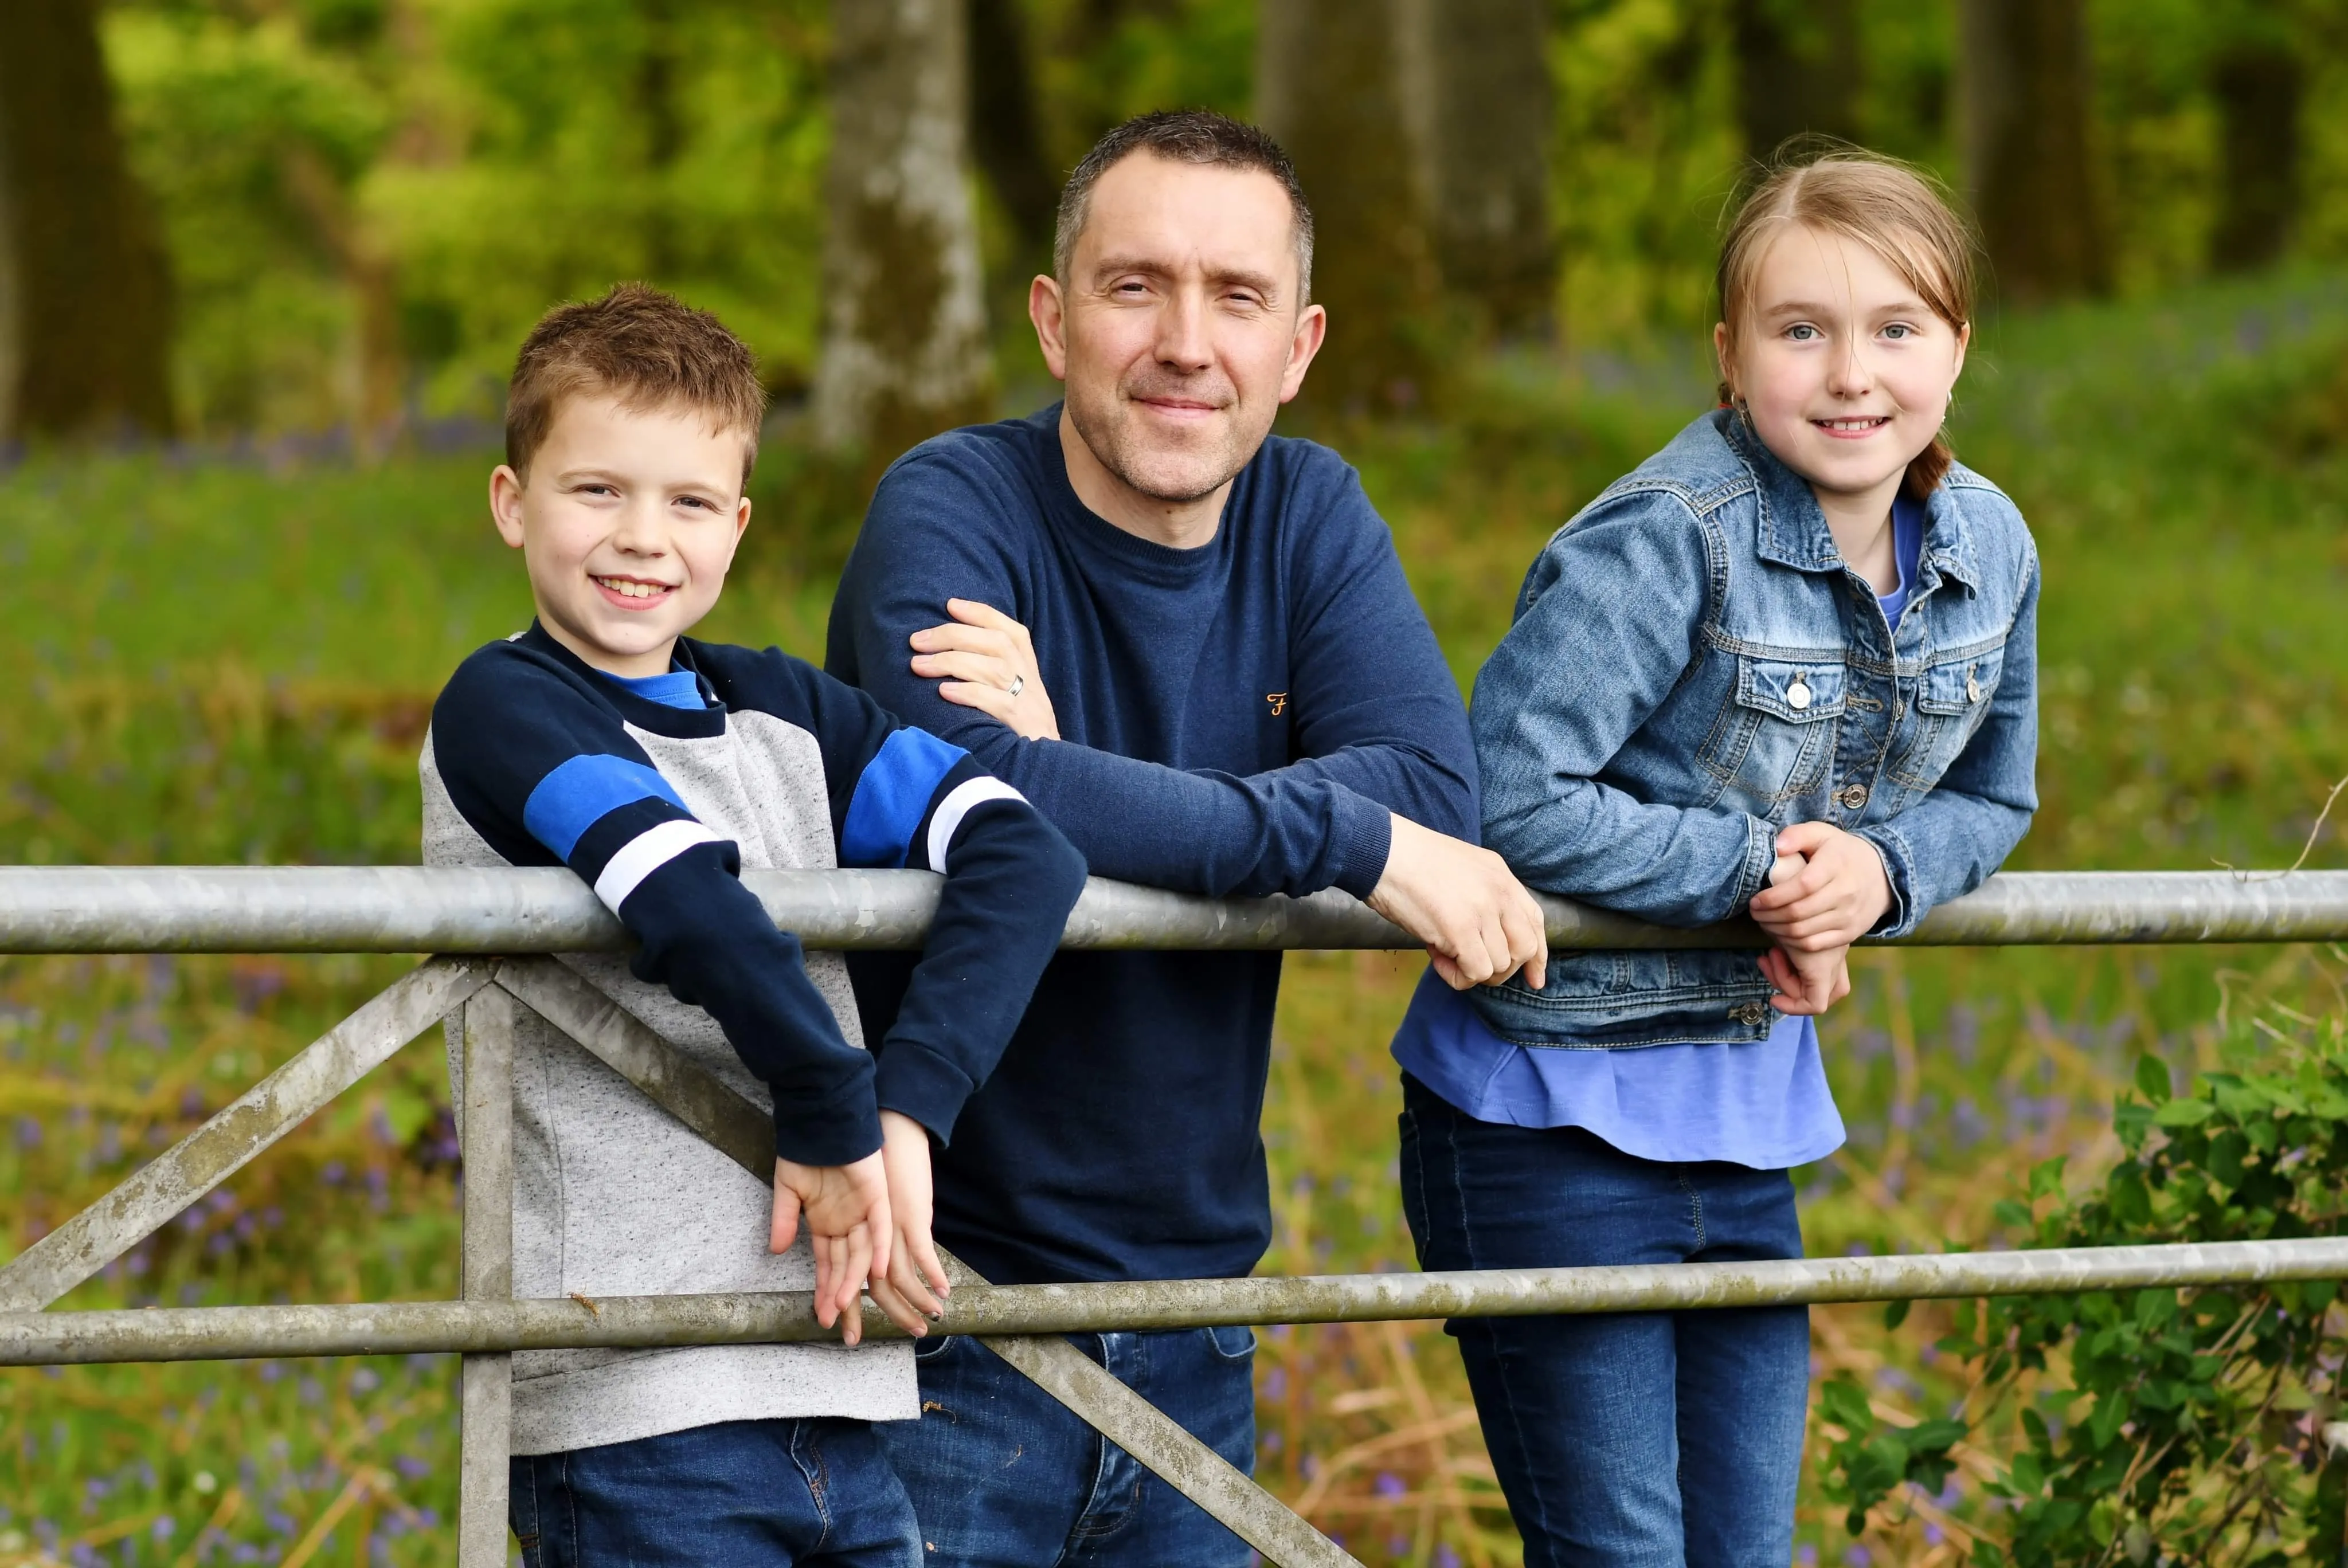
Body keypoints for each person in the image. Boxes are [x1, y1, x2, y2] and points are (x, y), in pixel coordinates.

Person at [825, 111, 1548, 1565]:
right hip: (938, 1319)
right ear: (1050, 319)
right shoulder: (950, 506)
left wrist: (1069, 773)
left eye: (1236, 296)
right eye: (1133, 285)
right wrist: (1339, 833)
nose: (1184, 342)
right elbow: (971, 788)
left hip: (1200, 1325)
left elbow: (1433, 791)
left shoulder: (1308, 512)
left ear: (1299, 344)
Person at [1391, 150, 2040, 1566]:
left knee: (1743, 1553)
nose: (1848, 372)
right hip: (1546, 1116)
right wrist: (1759, 870)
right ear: (1728, 356)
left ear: (1956, 349)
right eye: (1798, 329)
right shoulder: (1662, 539)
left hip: (1749, 1126)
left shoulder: (1987, 547)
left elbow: (1996, 798)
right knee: (1619, 1555)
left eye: (1895, 329)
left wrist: (1876, 876)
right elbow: (1500, 795)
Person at [421, 283, 1088, 1568]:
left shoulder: (780, 709)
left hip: (835, 1383)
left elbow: (1025, 851)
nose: (640, 539)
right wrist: (832, 1104)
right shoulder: (505, 706)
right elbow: (684, 897)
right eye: (595, 491)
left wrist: (904, 1115)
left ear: (733, 527)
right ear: (513, 504)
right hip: (632, 1396)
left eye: (684, 503)